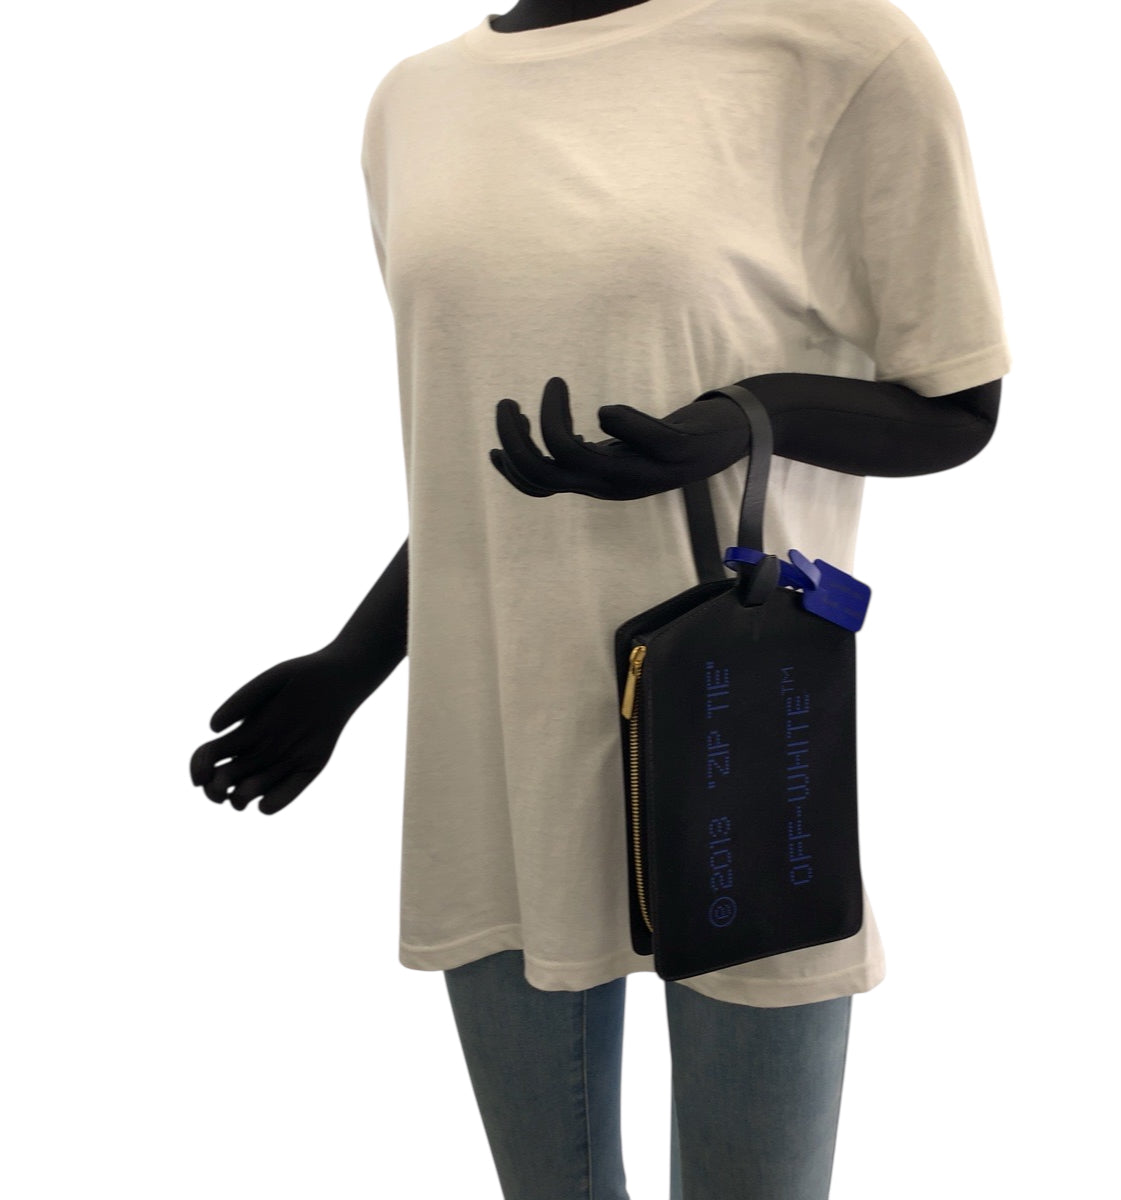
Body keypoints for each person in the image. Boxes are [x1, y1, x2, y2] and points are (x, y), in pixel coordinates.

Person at [190, 1, 1012, 1195]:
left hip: (735, 738)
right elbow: (477, 470)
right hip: (494, 746)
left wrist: (743, 419)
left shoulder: (832, 49)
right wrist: (352, 664)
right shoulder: (415, 105)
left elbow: (959, 403)